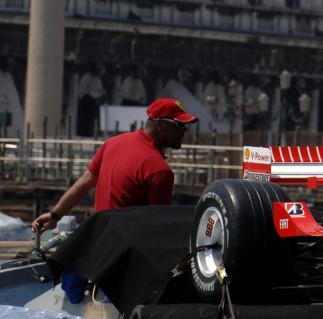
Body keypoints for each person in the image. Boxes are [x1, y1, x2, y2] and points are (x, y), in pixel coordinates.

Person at [31, 98, 199, 234]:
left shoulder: (112, 143)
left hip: (101, 239)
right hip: (127, 252)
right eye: (179, 125)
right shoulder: (159, 170)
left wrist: (55, 215)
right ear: (160, 125)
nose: (184, 131)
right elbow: (160, 226)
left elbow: (85, 183)